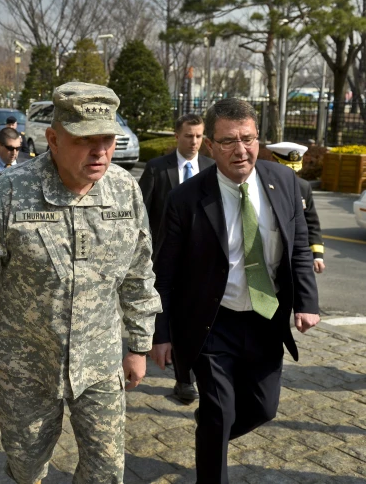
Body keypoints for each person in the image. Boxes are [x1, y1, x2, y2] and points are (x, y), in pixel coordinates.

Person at [0, 82, 162, 483]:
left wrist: (138, 344)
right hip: (26, 368)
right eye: (85, 140)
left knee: (106, 472)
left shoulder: (124, 191)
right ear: (53, 139)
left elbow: (138, 272)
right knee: (27, 469)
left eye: (108, 139)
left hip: (99, 363)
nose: (100, 152)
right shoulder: (8, 195)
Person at [151, 99, 320, 484]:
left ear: (259, 139)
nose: (240, 150)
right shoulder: (187, 199)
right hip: (212, 322)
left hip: (266, 317)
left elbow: (298, 245)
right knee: (218, 411)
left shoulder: (286, 183)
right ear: (210, 145)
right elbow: (164, 272)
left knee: (263, 408)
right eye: (228, 141)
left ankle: (211, 431)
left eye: (248, 139)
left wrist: (307, 302)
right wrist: (160, 334)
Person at [138, 113, 214, 404]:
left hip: (203, 262)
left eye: (198, 136)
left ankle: (193, 374)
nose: (194, 142)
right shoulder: (158, 169)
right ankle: (184, 380)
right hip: (166, 260)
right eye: (188, 136)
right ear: (176, 136)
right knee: (172, 318)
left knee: (198, 319)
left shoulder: (211, 168)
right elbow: (141, 214)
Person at [266, 142, 325, 273]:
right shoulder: (263, 184)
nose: (291, 174)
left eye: (294, 170)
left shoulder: (303, 186)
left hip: (295, 253)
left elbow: (311, 222)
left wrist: (318, 255)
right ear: (273, 161)